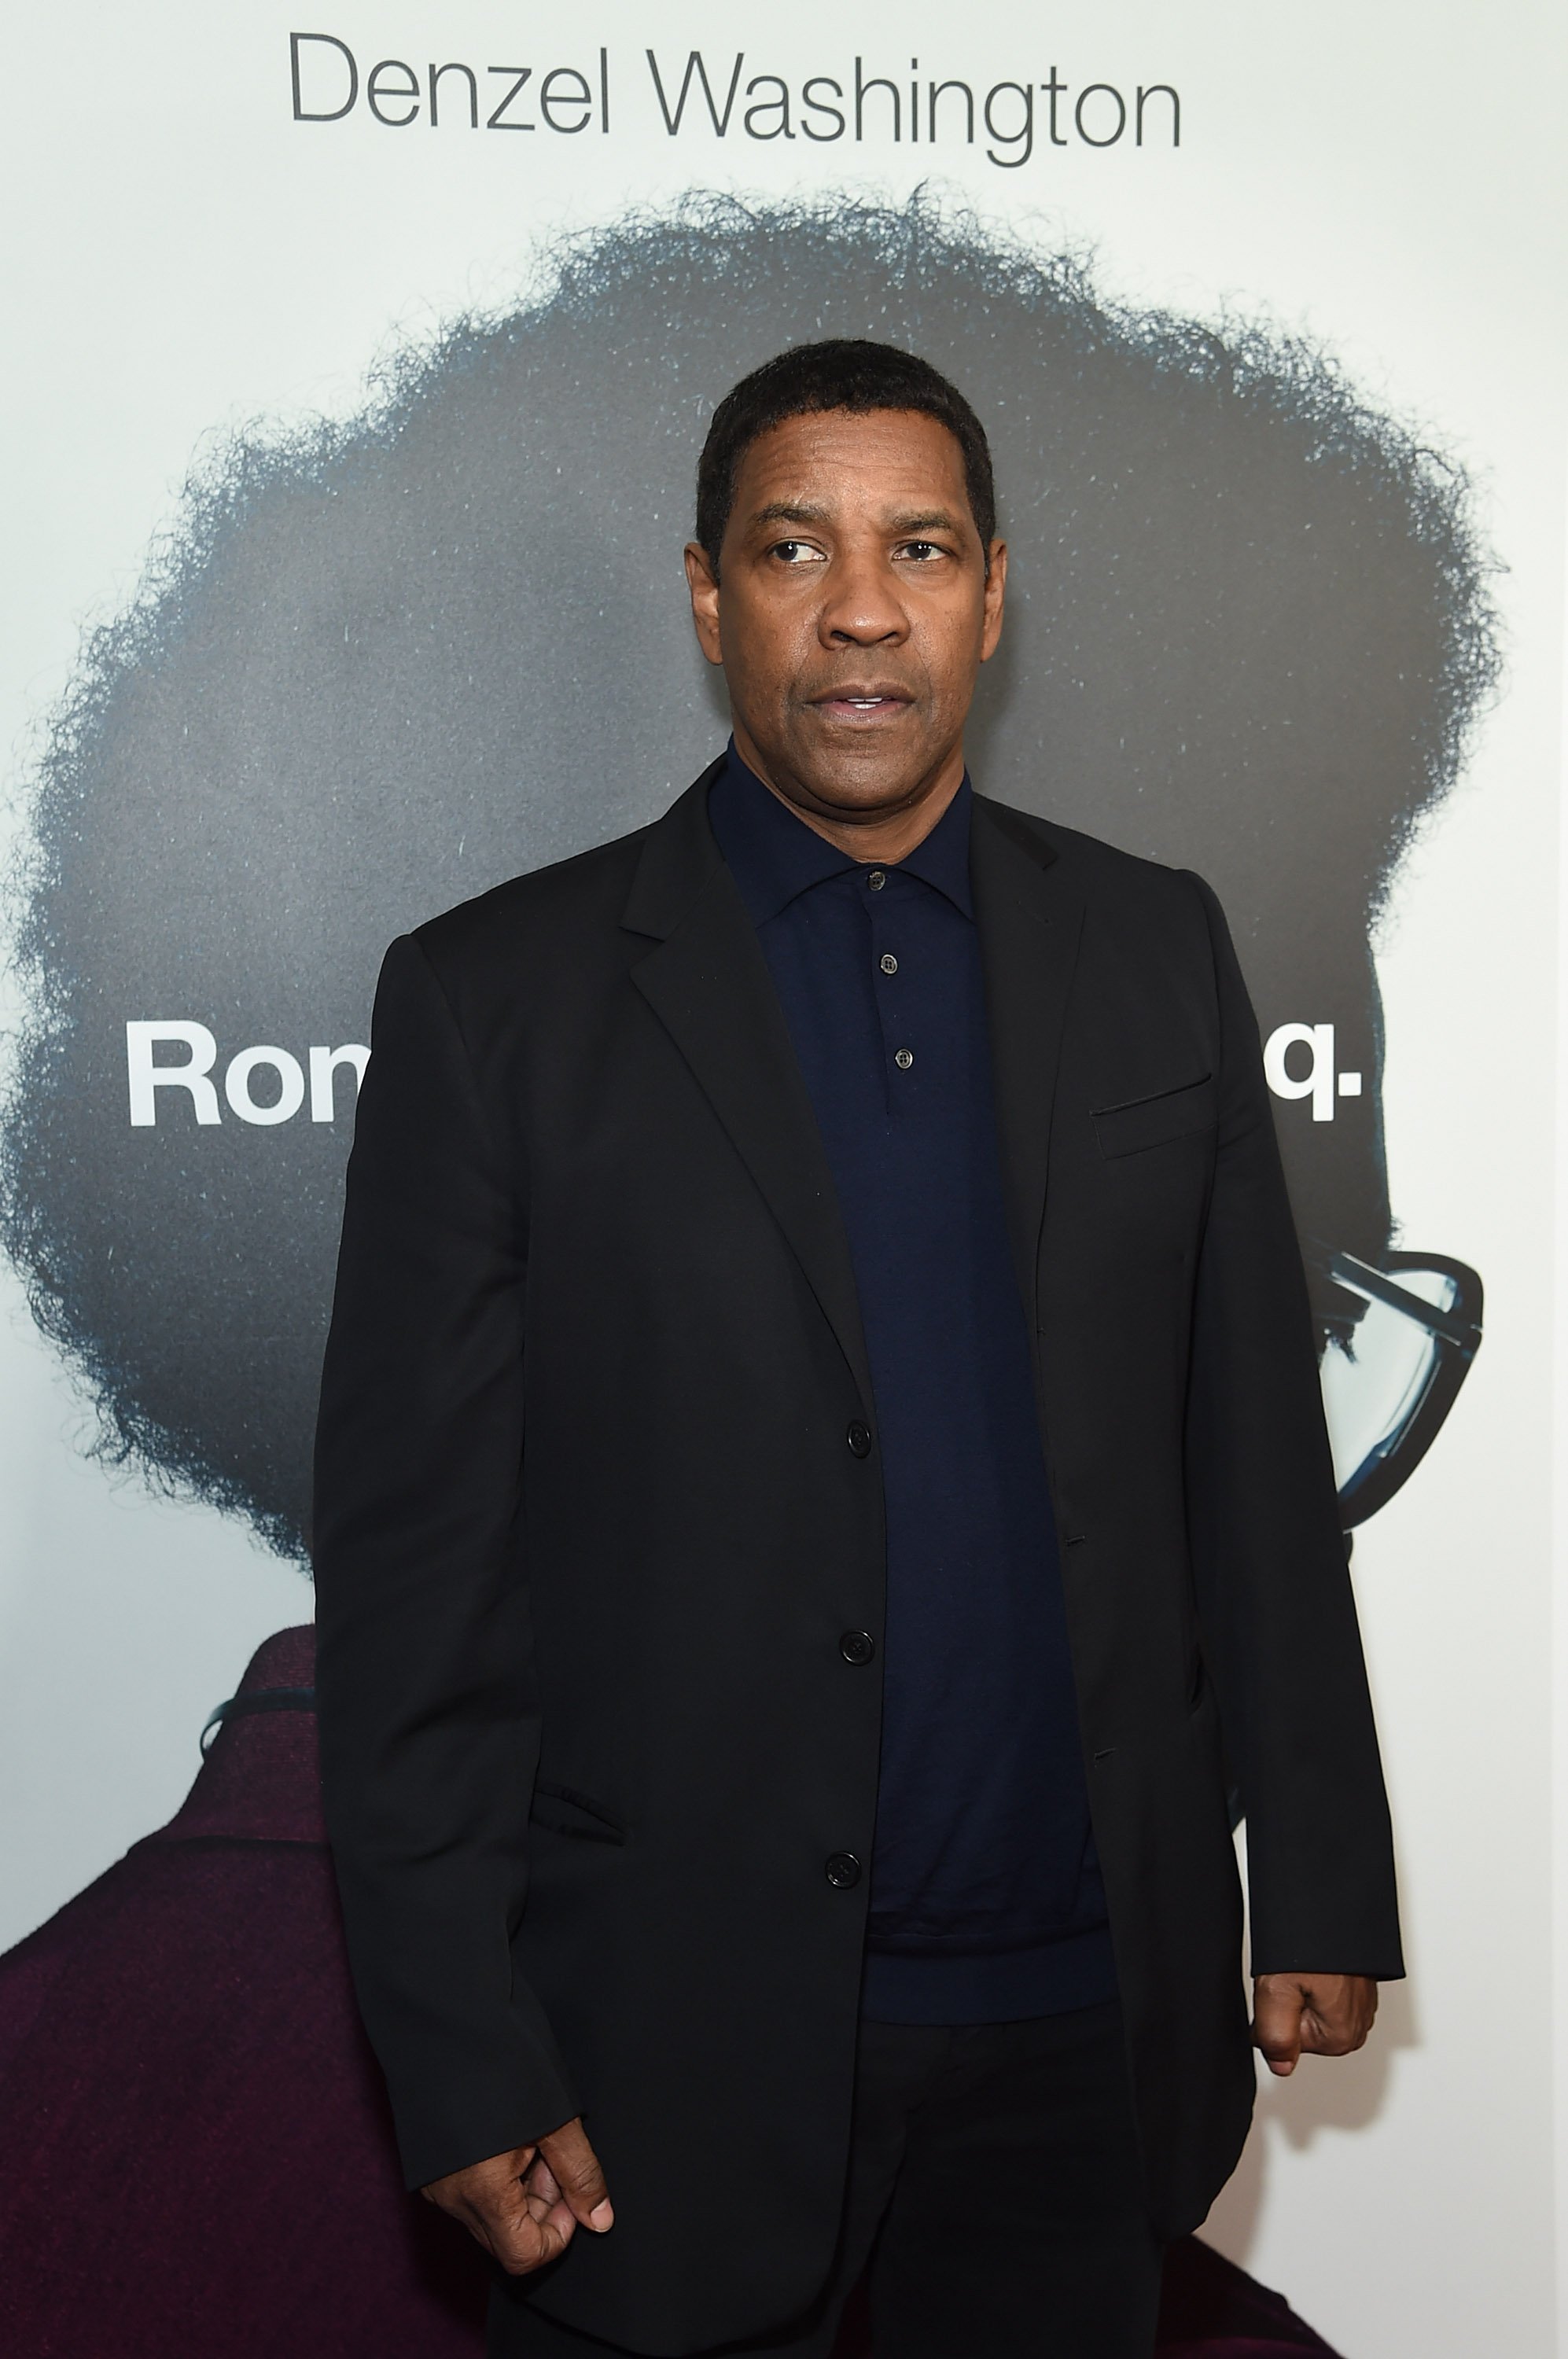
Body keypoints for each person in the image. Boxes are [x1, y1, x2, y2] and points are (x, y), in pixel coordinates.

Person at [313, 339, 1403, 2359]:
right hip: (666, 2051)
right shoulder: (498, 1002)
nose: (861, 608)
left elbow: (1250, 1456)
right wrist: (459, 2051)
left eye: (916, 547)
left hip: (1087, 2032)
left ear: (993, 586)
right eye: (792, 548)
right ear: (710, 596)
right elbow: (414, 1598)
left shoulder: (1156, 942)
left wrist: (1320, 1864)